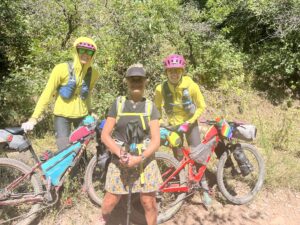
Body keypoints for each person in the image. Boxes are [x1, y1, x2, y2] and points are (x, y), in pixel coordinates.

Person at [100, 64, 161, 225]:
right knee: (108, 204)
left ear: (145, 82)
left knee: (149, 203)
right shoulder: (118, 104)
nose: (136, 83)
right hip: (120, 158)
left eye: (139, 80)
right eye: (132, 80)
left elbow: (156, 141)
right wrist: (121, 154)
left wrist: (139, 158)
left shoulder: (150, 107)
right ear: (127, 82)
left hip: (145, 161)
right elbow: (105, 135)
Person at [21, 37, 100, 151]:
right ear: (76, 51)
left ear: (93, 54)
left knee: (81, 150)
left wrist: (90, 111)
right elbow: (47, 93)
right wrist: (34, 118)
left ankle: (82, 168)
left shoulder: (94, 74)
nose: (85, 54)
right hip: (62, 116)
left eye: (89, 52)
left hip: (82, 116)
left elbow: (87, 94)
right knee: (64, 150)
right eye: (82, 50)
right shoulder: (61, 69)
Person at [154, 53, 212, 207]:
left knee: (198, 156)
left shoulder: (191, 85)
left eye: (177, 71)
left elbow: (201, 106)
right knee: (179, 159)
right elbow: (156, 109)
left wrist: (190, 121)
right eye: (171, 71)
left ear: (182, 71)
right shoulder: (160, 89)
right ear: (166, 72)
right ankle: (183, 186)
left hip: (190, 124)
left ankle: (204, 189)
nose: (174, 74)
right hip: (174, 126)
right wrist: (161, 123)